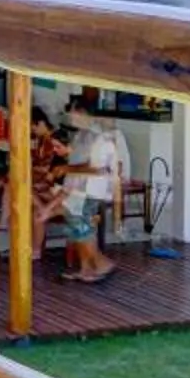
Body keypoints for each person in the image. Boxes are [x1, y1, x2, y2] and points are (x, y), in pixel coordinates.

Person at [57, 114, 127, 284]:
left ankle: (101, 263)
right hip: (79, 187)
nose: (72, 120)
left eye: (75, 115)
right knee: (74, 223)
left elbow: (96, 169)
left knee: (82, 226)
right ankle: (85, 268)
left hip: (91, 189)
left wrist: (66, 168)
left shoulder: (103, 140)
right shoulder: (83, 136)